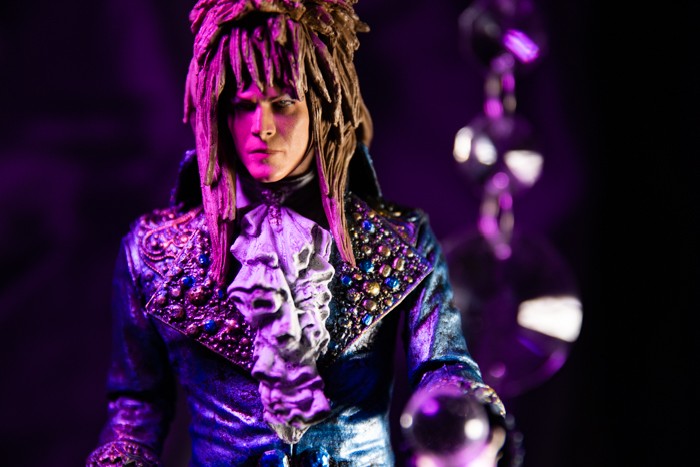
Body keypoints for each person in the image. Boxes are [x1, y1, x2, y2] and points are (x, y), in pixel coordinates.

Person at [86, 1, 509, 465]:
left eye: (284, 103)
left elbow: (441, 366)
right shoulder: (154, 250)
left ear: (323, 107)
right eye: (242, 106)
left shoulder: (401, 237)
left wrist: (466, 420)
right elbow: (137, 404)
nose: (262, 128)